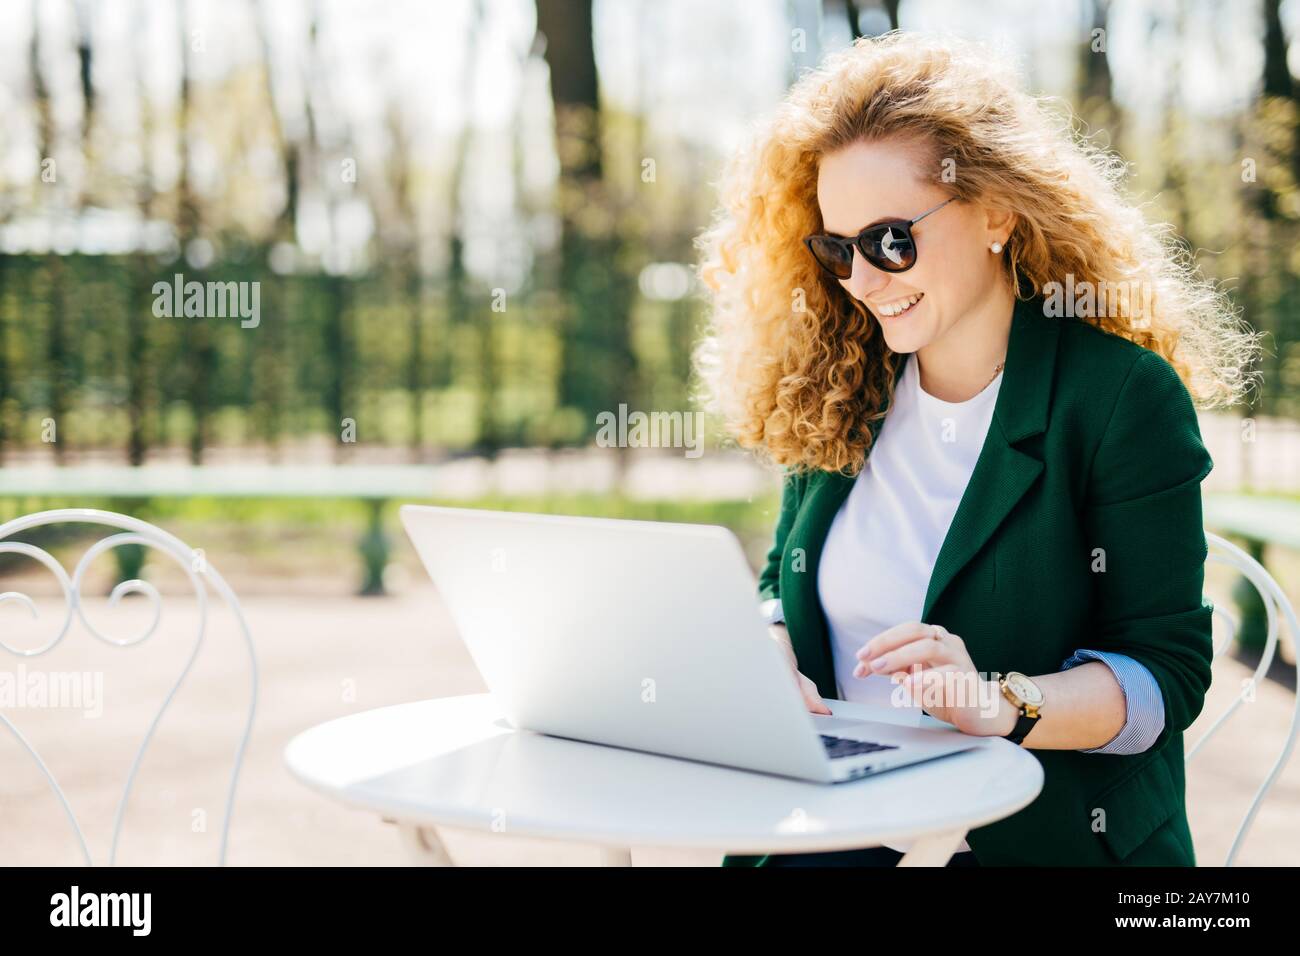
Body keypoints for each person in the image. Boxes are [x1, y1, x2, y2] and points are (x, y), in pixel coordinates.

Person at [694, 32, 1259, 866]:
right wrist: (767, 640)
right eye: (836, 249)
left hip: (1038, 840)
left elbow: (1162, 679)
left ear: (996, 209)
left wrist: (1003, 703)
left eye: (891, 239)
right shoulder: (837, 383)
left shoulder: (1118, 398)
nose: (861, 279)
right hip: (836, 826)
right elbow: (784, 579)